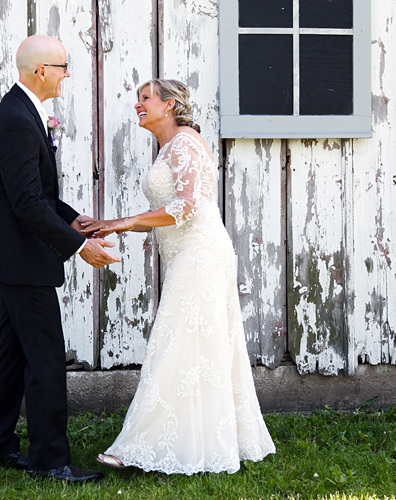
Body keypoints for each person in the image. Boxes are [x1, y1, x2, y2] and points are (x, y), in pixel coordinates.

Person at [82, 79, 276, 474]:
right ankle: (197, 440)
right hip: (188, 254)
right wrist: (110, 226)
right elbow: (166, 212)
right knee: (193, 350)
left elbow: (187, 206)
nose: (138, 105)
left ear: (169, 105)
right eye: (137, 98)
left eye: (145, 98)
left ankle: (138, 445)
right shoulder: (171, 146)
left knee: (172, 345)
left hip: (201, 254)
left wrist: (126, 220)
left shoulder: (185, 142)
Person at [0, 34, 120, 483]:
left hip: (17, 259)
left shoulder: (21, 113)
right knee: (44, 359)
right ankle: (49, 460)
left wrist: (76, 220)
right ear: (41, 71)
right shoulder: (18, 119)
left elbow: (40, 196)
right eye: (62, 67)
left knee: (12, 355)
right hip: (24, 261)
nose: (67, 75)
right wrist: (78, 247)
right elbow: (26, 204)